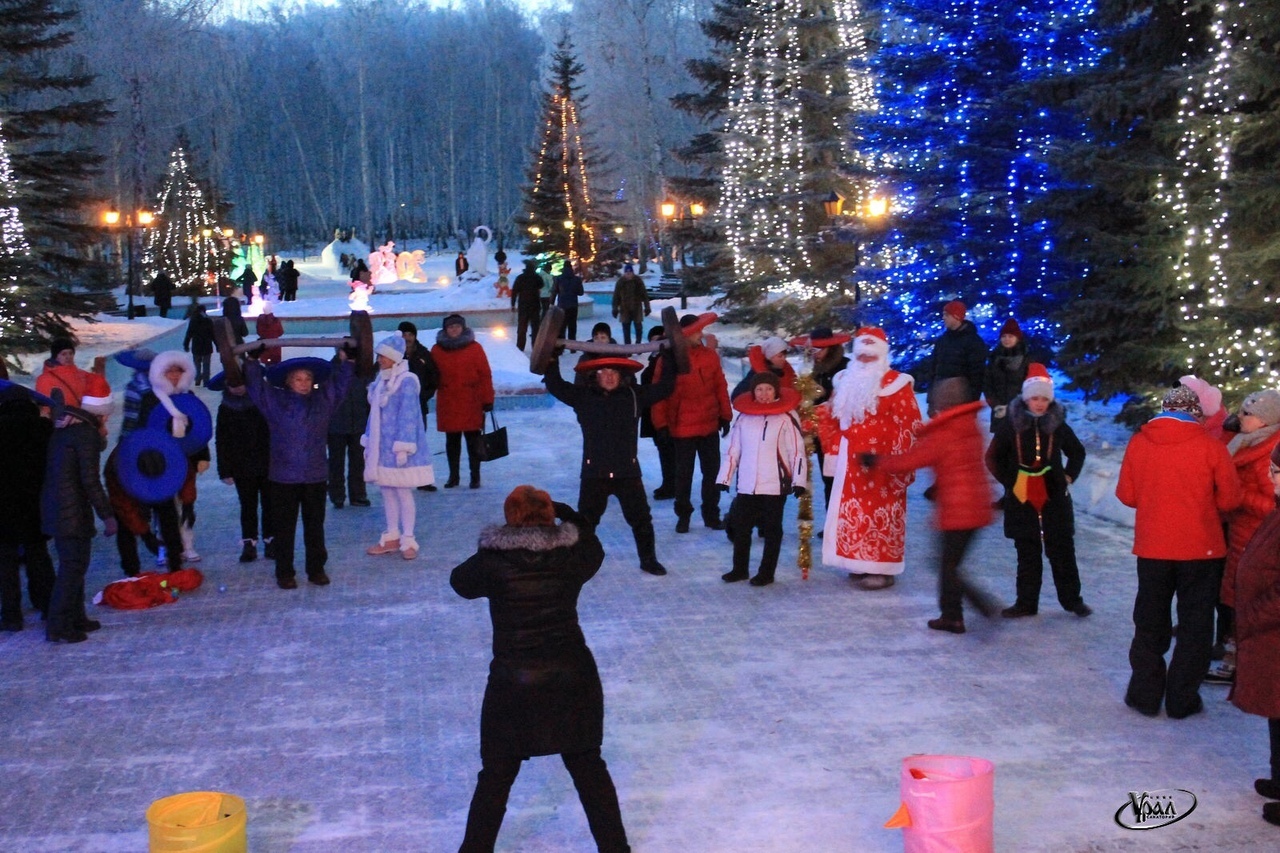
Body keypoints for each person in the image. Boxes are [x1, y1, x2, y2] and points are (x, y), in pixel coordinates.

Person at [450, 486, 631, 853]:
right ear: (551, 516)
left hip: (513, 683)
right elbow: (594, 548)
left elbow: (460, 583)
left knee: (496, 776)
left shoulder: (493, 560)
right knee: (588, 768)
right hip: (572, 677)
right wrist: (573, 516)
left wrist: (493, 546)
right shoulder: (570, 556)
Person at [1116, 385, 1241, 718]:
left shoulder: (1140, 443)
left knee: (1149, 621)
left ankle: (1144, 694)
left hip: (1153, 547)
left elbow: (1126, 494)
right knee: (1196, 625)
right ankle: (1181, 699)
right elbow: (1230, 500)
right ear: (1196, 412)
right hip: (1202, 548)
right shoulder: (1210, 447)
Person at [863, 378, 996, 632]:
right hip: (978, 505)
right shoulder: (970, 426)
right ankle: (953, 614)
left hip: (959, 509)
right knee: (949, 564)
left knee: (947, 566)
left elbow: (910, 460)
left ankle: (964, 611)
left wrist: (877, 460)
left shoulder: (945, 433)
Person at [543, 349, 675, 576]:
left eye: (614, 371)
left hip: (628, 471)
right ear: (595, 375)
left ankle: (648, 559)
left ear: (622, 375)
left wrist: (670, 357)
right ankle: (577, 562)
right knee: (585, 522)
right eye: (604, 371)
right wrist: (552, 357)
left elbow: (666, 387)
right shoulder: (583, 396)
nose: (609, 376)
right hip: (595, 472)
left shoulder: (634, 395)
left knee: (641, 519)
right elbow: (555, 385)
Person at [815, 327, 922, 589]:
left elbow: (909, 424)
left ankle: (881, 569)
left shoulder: (897, 384)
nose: (864, 361)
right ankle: (856, 562)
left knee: (880, 514)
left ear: (881, 356)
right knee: (853, 513)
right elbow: (831, 415)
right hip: (850, 463)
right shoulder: (844, 380)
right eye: (860, 355)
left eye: (870, 356)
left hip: (882, 463)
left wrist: (900, 462)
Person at [984, 364, 1091, 618]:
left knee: (1062, 551)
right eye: (1035, 398)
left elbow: (1077, 452)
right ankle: (1026, 602)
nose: (1040, 404)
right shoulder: (1010, 425)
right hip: (1022, 497)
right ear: (1026, 398)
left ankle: (1072, 600)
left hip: (1054, 497)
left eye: (1044, 399)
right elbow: (993, 457)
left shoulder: (1058, 425)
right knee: (1027, 552)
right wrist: (1011, 481)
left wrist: (1068, 476)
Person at [244, 351, 355, 589]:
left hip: (315, 475)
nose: (303, 384)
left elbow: (341, 386)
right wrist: (252, 362)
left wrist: (350, 362)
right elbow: (256, 388)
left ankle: (316, 570)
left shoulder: (323, 401)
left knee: (315, 527)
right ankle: (285, 573)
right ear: (288, 381)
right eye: (298, 379)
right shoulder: (275, 402)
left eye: (307, 379)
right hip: (283, 478)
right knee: (284, 529)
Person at [1210, 388, 1280, 684]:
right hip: (1241, 536)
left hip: (1256, 541)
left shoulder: (1270, 455)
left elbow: (1272, 507)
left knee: (1249, 605)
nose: (1238, 416)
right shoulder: (1248, 442)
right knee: (1236, 602)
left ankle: (1241, 665)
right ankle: (1235, 659)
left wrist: (1239, 497)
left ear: (1265, 421)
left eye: (1246, 413)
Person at [41, 373, 117, 643]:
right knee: (72, 569)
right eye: (107, 415)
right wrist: (107, 515)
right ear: (100, 413)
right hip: (70, 512)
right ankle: (58, 626)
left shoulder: (69, 430)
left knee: (74, 566)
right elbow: (89, 480)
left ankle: (76, 617)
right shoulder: (85, 436)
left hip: (58, 508)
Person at [1227, 442, 1280, 827]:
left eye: (1277, 472)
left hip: (1271, 627)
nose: (1270, 476)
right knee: (1276, 712)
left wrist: (1253, 616)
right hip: (1268, 632)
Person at [717, 372, 807, 586]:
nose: (764, 394)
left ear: (776, 390)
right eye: (759, 389)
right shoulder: (744, 418)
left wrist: (799, 481)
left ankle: (766, 572)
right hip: (747, 483)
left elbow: (797, 451)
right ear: (753, 392)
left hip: (775, 484)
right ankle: (739, 569)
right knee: (741, 526)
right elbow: (733, 450)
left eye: (768, 389)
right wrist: (724, 477)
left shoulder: (786, 417)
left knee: (772, 529)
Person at [649, 313, 732, 533]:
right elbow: (659, 394)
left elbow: (720, 386)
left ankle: (711, 514)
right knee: (683, 475)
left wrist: (725, 414)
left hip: (708, 424)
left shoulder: (709, 356)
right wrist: (661, 425)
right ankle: (683, 515)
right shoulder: (668, 360)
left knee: (712, 472)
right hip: (681, 427)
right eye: (697, 331)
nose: (701, 334)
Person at [363, 335, 436, 560]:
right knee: (387, 492)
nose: (380, 360)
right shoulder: (380, 382)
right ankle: (392, 535)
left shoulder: (406, 381)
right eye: (379, 355)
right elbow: (373, 415)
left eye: (384, 356)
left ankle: (408, 539)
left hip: (400, 450)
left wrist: (403, 447)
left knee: (403, 492)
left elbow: (409, 416)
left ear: (394, 357)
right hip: (382, 450)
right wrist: (368, 441)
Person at [0, 383, 55, 631]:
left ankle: (11, 615)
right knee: (38, 555)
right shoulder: (40, 428)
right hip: (35, 502)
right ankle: (46, 604)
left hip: (3, 505)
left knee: (6, 562)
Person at [431, 314, 494, 489]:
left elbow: (485, 375)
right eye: (451, 327)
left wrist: (487, 399)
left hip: (471, 401)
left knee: (473, 442)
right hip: (448, 401)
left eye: (457, 326)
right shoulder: (437, 350)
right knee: (452, 442)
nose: (454, 329)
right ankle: (454, 476)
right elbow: (430, 374)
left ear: (463, 328)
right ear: (445, 329)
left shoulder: (475, 348)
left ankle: (475, 476)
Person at [216, 379, 275, 563]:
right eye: (233, 384)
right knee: (247, 506)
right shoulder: (225, 408)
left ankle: (270, 540)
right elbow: (222, 440)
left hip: (267, 462)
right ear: (227, 385)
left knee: (270, 504)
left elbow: (275, 432)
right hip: (241, 466)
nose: (238, 387)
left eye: (241, 383)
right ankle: (249, 543)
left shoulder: (263, 402)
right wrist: (225, 470)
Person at [793, 326, 850, 506]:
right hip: (817, 430)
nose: (815, 353)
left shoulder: (847, 366)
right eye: (812, 349)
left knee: (840, 478)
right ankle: (831, 524)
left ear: (830, 348)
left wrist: (827, 396)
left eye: (819, 349)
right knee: (828, 477)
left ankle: (842, 524)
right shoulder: (809, 369)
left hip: (840, 433)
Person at [326, 347, 371, 510]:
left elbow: (368, 396)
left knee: (358, 462)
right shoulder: (330, 370)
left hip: (358, 423)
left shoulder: (362, 370)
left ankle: (358, 494)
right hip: (336, 425)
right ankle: (337, 495)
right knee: (336, 463)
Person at [924, 300, 986, 409]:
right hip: (941, 401)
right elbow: (933, 371)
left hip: (961, 401)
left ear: (956, 317)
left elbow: (977, 375)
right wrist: (931, 401)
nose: (943, 318)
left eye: (946, 315)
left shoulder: (973, 342)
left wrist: (971, 404)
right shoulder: (942, 341)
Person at [639, 326, 677, 500]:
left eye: (660, 340)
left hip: (665, 411)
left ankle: (672, 484)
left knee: (670, 449)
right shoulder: (654, 358)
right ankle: (669, 482)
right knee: (663, 449)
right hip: (653, 411)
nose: (656, 344)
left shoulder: (668, 361)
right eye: (653, 340)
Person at [982, 318, 1028, 433]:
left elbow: (1030, 385)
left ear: (1017, 338)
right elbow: (987, 384)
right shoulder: (994, 359)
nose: (1006, 339)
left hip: (1021, 411)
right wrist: (996, 405)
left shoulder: (1027, 360)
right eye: (1004, 336)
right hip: (999, 410)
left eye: (1010, 336)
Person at [731, 336, 796, 399]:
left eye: (785, 356)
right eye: (780, 356)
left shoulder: (786, 372)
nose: (783, 359)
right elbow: (736, 396)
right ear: (770, 357)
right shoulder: (756, 375)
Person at [35, 337, 93, 407]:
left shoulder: (82, 374)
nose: (68, 357)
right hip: (61, 417)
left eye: (71, 353)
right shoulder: (45, 379)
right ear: (55, 356)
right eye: (64, 354)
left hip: (81, 416)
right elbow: (45, 408)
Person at [611, 264, 650, 345]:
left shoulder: (638, 281)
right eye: (627, 272)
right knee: (626, 329)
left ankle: (638, 344)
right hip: (624, 309)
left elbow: (645, 295)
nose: (628, 274)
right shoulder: (620, 282)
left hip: (637, 308)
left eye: (630, 272)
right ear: (624, 273)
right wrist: (615, 308)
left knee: (638, 328)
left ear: (632, 272)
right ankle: (628, 348)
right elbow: (616, 296)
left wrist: (647, 307)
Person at [510, 260, 543, 352]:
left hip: (523, 306)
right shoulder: (537, 277)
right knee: (535, 327)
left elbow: (514, 292)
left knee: (522, 327)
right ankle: (535, 346)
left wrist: (513, 304)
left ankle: (520, 347)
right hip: (535, 305)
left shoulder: (520, 278)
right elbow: (542, 285)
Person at [183, 303, 215, 386]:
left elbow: (189, 333)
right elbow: (213, 334)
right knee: (206, 364)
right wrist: (217, 345)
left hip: (196, 346)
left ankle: (197, 379)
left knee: (197, 364)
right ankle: (206, 381)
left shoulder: (193, 320)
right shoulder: (208, 320)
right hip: (207, 345)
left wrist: (186, 344)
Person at [554, 260, 585, 340]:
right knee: (572, 325)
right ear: (571, 268)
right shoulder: (577, 279)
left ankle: (561, 346)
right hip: (573, 305)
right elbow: (581, 292)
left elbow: (554, 291)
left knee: (561, 326)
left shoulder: (558, 279)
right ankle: (572, 346)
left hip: (562, 305)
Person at [254, 301, 285, 367]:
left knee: (267, 364)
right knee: (276, 365)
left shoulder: (260, 320)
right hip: (275, 346)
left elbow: (259, 332)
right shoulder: (276, 321)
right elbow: (281, 332)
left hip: (264, 346)